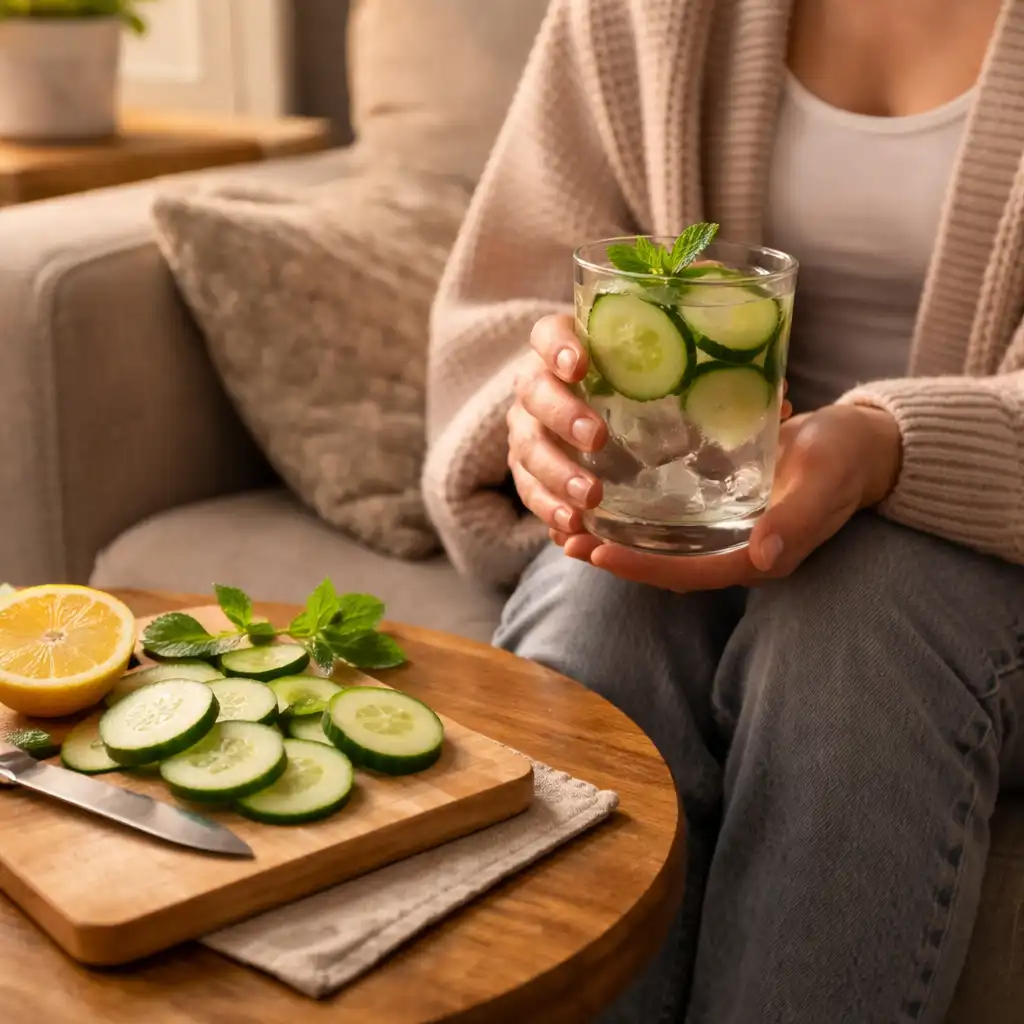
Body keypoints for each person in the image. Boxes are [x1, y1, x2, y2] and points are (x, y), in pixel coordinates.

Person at [424, 0, 1024, 1020]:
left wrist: (883, 445)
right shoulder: (643, 16)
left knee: (861, 617)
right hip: (701, 494)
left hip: (982, 554)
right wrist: (541, 421)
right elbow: (501, 313)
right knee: (598, 595)